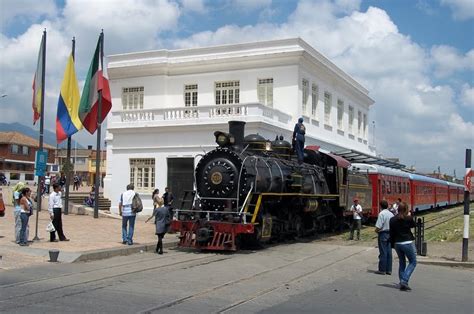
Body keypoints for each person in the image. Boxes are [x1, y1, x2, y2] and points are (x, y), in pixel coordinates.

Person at [390, 202, 417, 291]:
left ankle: (402, 281)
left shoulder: (392, 219)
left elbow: (392, 233)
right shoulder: (408, 218)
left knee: (402, 262)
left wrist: (392, 244)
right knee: (413, 262)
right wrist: (409, 215)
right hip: (407, 242)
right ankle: (404, 281)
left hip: (397, 243)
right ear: (406, 209)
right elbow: (414, 225)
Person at [374, 200, 394, 275]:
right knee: (389, 251)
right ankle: (389, 269)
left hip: (383, 233)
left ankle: (382, 269)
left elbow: (379, 226)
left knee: (383, 251)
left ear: (381, 206)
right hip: (390, 233)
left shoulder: (381, 214)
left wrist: (376, 231)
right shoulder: (391, 214)